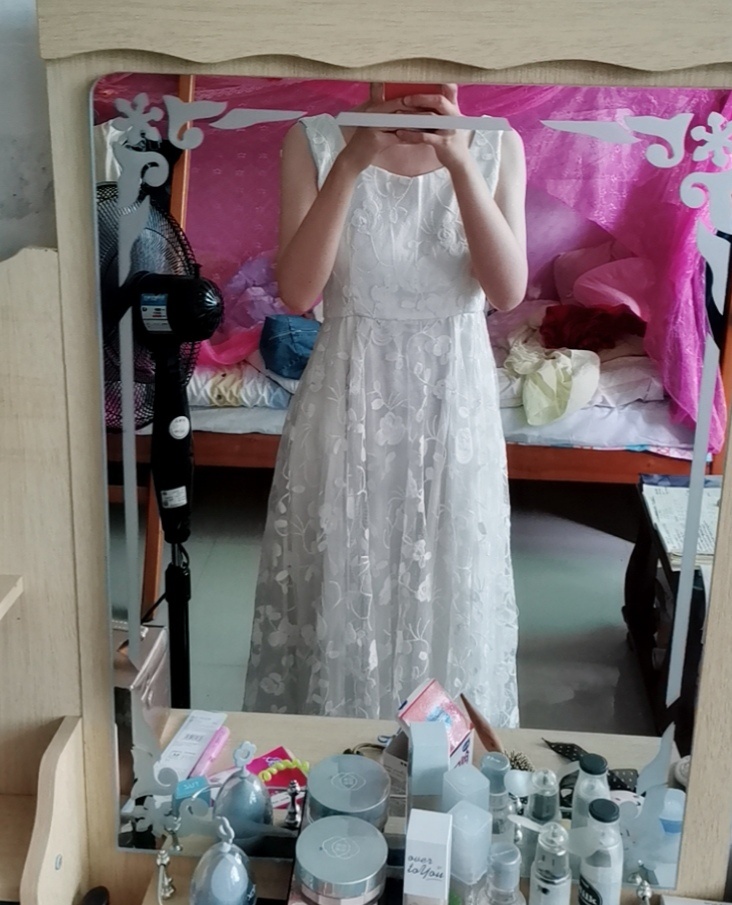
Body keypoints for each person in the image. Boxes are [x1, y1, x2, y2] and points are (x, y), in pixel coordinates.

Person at [243, 83, 527, 724]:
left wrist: (460, 162)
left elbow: (508, 290)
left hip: (453, 407)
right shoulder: (314, 140)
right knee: (343, 579)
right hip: (349, 399)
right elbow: (298, 292)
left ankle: (444, 757)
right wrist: (351, 162)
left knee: (450, 578)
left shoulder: (497, 142)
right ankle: (339, 755)